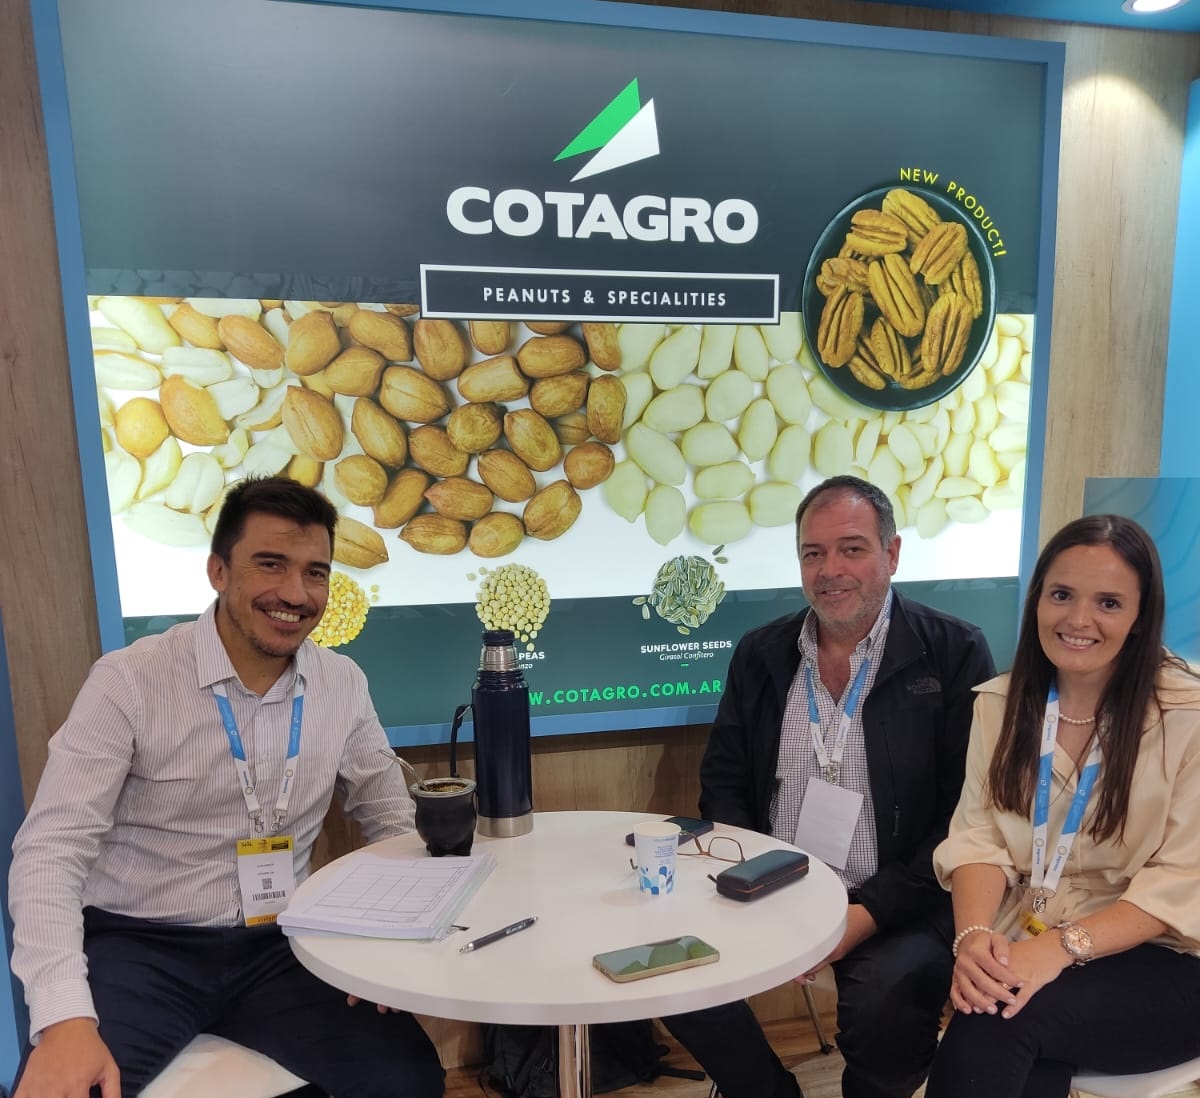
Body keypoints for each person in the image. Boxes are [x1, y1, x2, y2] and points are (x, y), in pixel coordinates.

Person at [8, 476, 445, 1098]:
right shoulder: (130, 680)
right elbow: (50, 850)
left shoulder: (341, 682)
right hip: (142, 944)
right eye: (270, 564)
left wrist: (390, 936)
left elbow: (389, 817)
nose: (295, 593)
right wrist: (64, 1021)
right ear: (218, 571)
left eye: (315, 572)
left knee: (407, 1079)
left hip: (284, 944)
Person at [662, 474, 995, 1098]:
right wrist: (753, 879)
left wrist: (867, 914)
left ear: (891, 553)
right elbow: (724, 782)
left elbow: (966, 817)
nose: (830, 570)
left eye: (851, 549)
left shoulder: (953, 652)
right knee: (669, 965)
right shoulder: (762, 653)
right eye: (813, 553)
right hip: (769, 885)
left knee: (884, 1007)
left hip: (899, 900)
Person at [926, 514, 1200, 1098]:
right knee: (1007, 1027)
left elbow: (1183, 879)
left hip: (1171, 955)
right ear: (1037, 601)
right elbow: (978, 837)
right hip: (1033, 934)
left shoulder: (1189, 716)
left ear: (1140, 617)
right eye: (1062, 595)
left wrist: (1057, 949)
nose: (1078, 620)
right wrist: (973, 936)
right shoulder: (998, 705)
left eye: (1108, 603)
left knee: (995, 1020)